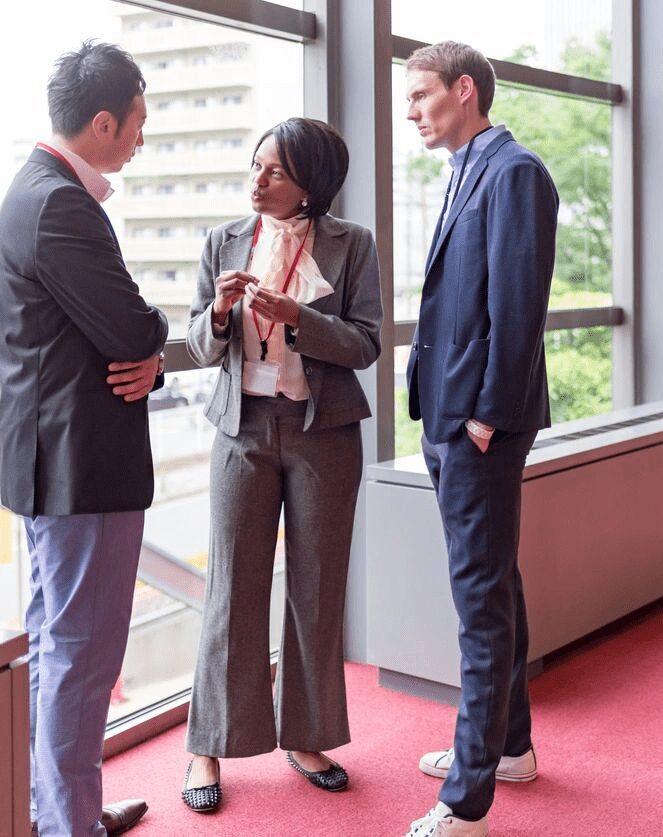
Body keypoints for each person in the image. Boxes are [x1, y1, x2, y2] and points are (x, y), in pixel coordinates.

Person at [181, 117, 382, 812]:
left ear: (311, 183)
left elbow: (366, 345)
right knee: (231, 590)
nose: (257, 181)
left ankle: (308, 735)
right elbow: (196, 345)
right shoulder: (223, 241)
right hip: (241, 430)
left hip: (321, 431)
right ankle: (206, 743)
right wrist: (216, 313)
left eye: (274, 171)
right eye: (255, 166)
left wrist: (299, 315)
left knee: (317, 590)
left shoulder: (352, 244)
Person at [0, 41, 168, 837]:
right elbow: (132, 324)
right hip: (80, 471)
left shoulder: (33, 191)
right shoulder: (61, 204)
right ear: (103, 121)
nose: (143, 132)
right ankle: (68, 824)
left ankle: (59, 810)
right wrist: (155, 341)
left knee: (61, 652)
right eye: (138, 118)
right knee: (80, 658)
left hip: (53, 466)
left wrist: (147, 354)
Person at [403, 41, 559, 837]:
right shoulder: (469, 170)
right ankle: (511, 746)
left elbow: (519, 305)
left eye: (422, 94)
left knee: (479, 602)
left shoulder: (514, 171)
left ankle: (467, 799)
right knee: (494, 581)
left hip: (479, 426)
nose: (411, 109)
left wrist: (486, 416)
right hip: (449, 418)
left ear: (465, 90)